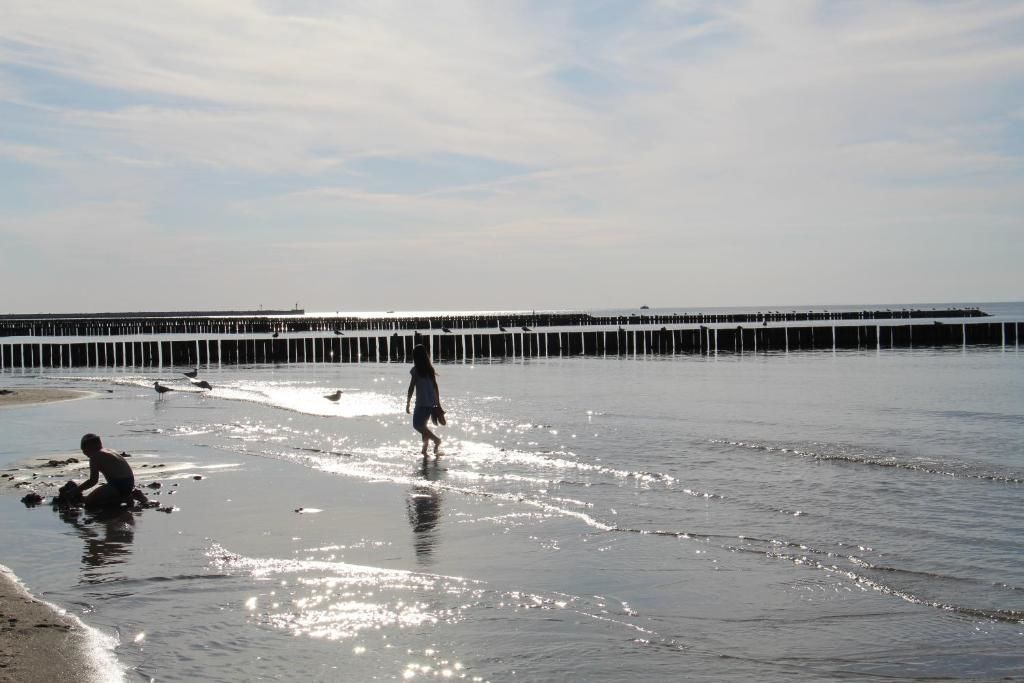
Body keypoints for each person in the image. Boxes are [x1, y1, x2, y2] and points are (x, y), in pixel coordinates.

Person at [72, 433, 145, 508]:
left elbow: (93, 481)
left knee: (89, 503)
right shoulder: (110, 451)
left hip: (118, 485)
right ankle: (128, 495)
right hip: (130, 483)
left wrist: (76, 491)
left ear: (90, 447)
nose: (84, 453)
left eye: (84, 449)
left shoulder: (95, 457)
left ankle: (126, 498)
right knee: (93, 497)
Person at [406, 344, 443, 456]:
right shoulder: (430, 370)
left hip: (421, 403)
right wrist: (437, 403)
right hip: (431, 403)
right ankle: (424, 451)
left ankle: (436, 440)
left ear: (415, 358)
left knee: (417, 425)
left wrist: (408, 403)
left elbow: (411, 387)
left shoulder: (416, 370)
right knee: (423, 426)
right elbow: (436, 387)